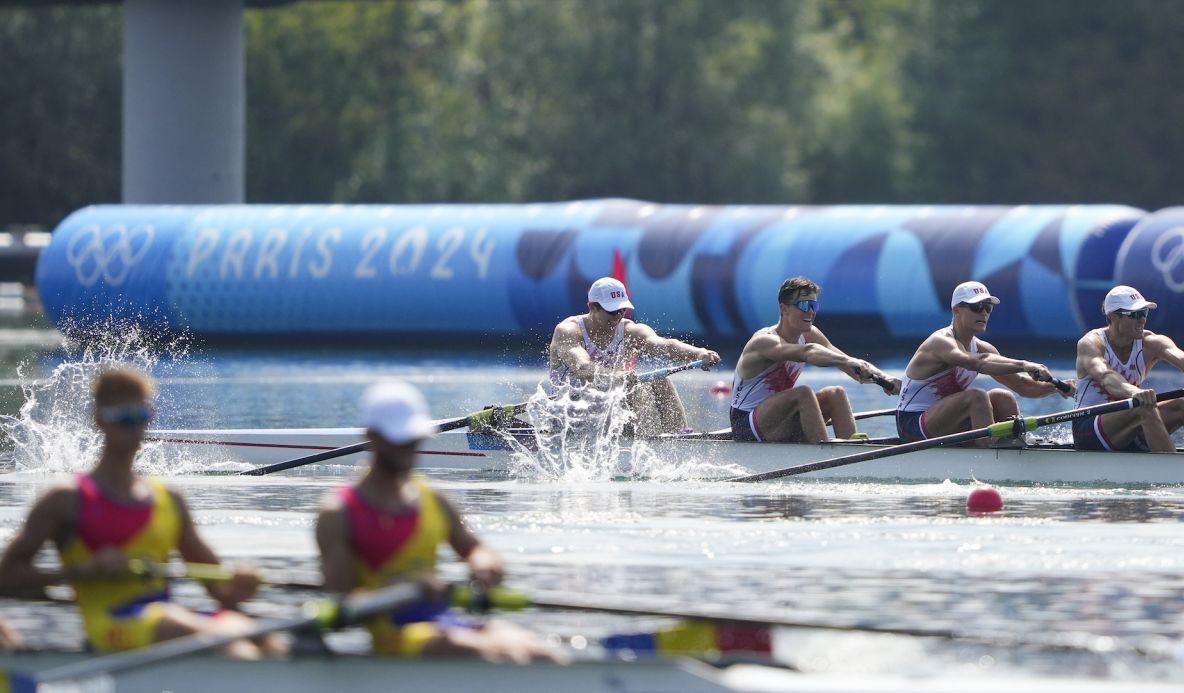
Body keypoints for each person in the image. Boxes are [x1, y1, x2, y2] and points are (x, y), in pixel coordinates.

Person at [0, 366, 270, 655]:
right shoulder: (65, 498)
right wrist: (80, 572)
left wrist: (241, 583)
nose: (135, 428)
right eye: (123, 418)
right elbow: (7, 576)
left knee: (261, 634)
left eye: (142, 416)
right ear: (99, 420)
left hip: (162, 623)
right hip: (110, 627)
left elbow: (222, 592)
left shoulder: (169, 499)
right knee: (186, 625)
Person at [315, 381, 559, 662]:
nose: (408, 447)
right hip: (392, 634)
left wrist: (485, 563)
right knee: (486, 651)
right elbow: (344, 603)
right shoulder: (338, 512)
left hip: (442, 621)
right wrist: (404, 587)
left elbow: (475, 549)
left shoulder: (434, 500)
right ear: (372, 436)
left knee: (536, 651)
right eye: (399, 440)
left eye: (413, 438)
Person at [1073, 285, 1184, 454]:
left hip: (1130, 426)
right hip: (1089, 429)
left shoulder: (1151, 343)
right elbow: (1105, 376)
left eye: (1144, 313)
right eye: (1135, 314)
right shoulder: (1091, 343)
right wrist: (1134, 392)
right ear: (1113, 317)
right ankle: (1172, 473)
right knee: (1143, 406)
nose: (1142, 319)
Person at [896, 281, 1073, 445]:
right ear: (956, 309)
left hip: (946, 420)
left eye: (988, 308)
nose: (983, 313)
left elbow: (1023, 386)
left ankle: (1013, 448)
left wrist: (1060, 387)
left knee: (1003, 397)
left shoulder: (983, 348)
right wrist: (1024, 364)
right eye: (976, 307)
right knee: (977, 396)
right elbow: (976, 363)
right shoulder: (940, 342)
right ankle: (991, 454)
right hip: (912, 425)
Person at [729, 276, 901, 443]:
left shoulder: (810, 333)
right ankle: (824, 455)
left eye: (814, 305)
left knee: (836, 393)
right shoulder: (764, 341)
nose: (810, 312)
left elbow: (848, 361)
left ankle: (850, 447)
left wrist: (884, 378)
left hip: (778, 419)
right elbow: (808, 353)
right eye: (804, 305)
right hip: (745, 425)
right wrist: (847, 362)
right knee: (803, 394)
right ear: (784, 309)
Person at [547, 277, 720, 435]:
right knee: (632, 389)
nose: (618, 316)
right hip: (571, 410)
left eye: (622, 310)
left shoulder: (629, 330)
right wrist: (616, 376)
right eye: (612, 311)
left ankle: (679, 436)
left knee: (659, 379)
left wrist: (698, 353)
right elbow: (582, 367)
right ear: (592, 306)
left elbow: (664, 345)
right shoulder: (568, 330)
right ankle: (639, 443)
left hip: (609, 408)